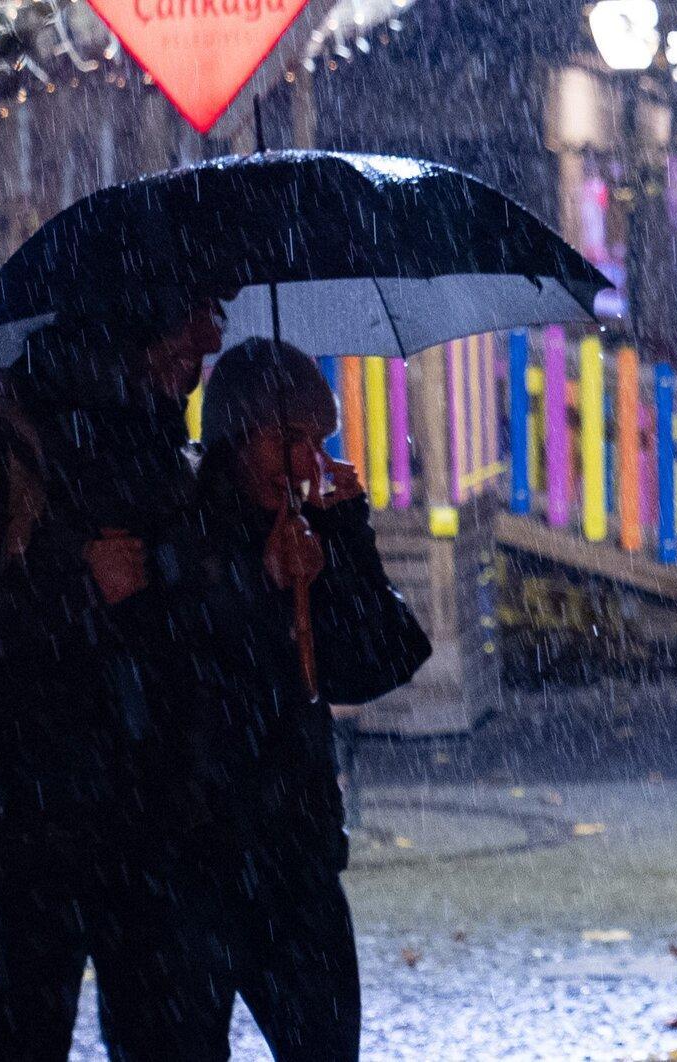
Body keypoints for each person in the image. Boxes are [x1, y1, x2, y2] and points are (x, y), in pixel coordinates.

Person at [0, 291, 230, 1062]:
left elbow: (185, 650)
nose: (210, 338)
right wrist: (75, 590)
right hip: (14, 843)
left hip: (145, 834)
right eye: (189, 317)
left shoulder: (162, 463)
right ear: (128, 340)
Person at [187, 338, 430, 1061]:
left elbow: (380, 660)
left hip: (294, 852)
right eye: (287, 440)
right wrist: (255, 584)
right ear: (235, 436)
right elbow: (181, 663)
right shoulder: (186, 525)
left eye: (317, 442)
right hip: (199, 858)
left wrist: (347, 541)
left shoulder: (306, 526)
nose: (304, 462)